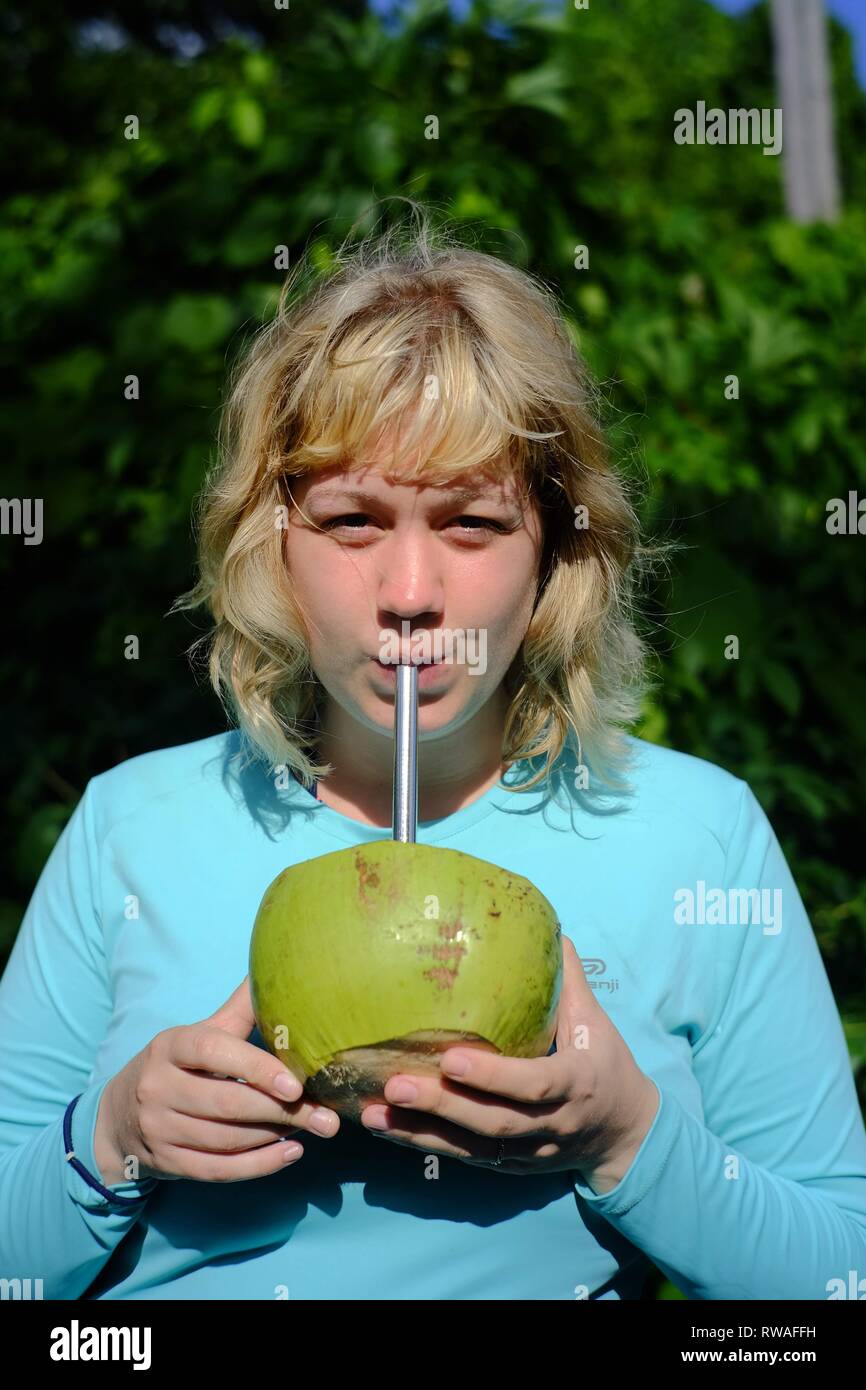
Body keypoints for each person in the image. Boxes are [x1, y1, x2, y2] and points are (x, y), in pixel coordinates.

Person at [1, 206, 865, 1302]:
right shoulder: (130, 826)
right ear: (272, 540)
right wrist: (111, 1137)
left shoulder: (697, 837)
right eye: (352, 521)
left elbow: (840, 1277)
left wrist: (627, 1143)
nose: (410, 597)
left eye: (471, 524)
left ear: (554, 550)